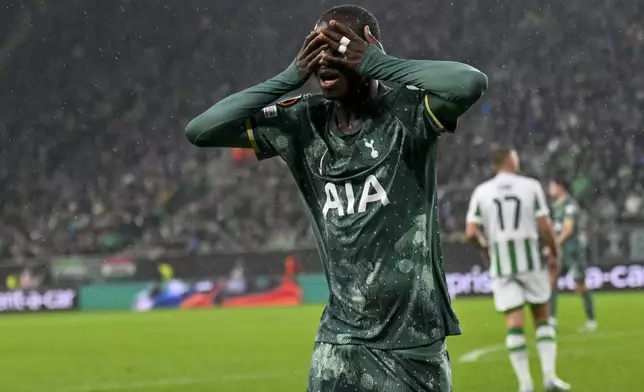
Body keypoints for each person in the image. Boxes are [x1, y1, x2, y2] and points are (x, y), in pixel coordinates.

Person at [185, 5, 487, 391]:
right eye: (316, 48)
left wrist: (380, 63)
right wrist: (288, 77)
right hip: (337, 348)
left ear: (367, 48)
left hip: (411, 347)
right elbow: (201, 130)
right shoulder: (302, 123)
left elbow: (470, 83)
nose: (324, 59)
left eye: (338, 48)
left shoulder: (407, 114)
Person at [465, 149, 571, 392]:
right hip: (530, 261)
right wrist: (554, 253)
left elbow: (471, 232)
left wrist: (485, 247)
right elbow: (545, 227)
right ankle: (549, 377)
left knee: (514, 324)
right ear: (512, 161)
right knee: (542, 318)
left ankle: (525, 384)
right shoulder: (530, 186)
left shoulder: (482, 191)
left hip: (502, 265)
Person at [547, 176, 597, 332]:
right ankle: (551, 319)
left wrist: (553, 245)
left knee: (580, 284)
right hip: (561, 251)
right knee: (552, 281)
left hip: (573, 250)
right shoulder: (555, 206)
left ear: (560, 186)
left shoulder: (569, 205)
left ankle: (591, 321)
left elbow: (568, 229)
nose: (550, 189)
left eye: (552, 185)